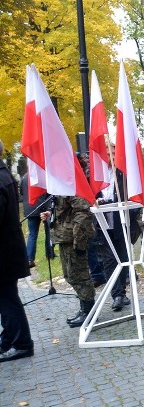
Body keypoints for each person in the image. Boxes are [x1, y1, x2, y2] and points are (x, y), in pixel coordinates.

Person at [42, 157, 95, 329]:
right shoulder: (64, 183)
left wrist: (79, 242)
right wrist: (51, 215)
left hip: (73, 238)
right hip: (65, 237)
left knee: (79, 275)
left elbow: (82, 213)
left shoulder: (74, 184)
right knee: (70, 275)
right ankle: (84, 308)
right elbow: (66, 211)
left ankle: (89, 311)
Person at [92, 152, 143, 312]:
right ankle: (117, 295)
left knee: (122, 256)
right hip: (103, 224)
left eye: (114, 153)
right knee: (109, 260)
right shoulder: (96, 174)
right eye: (108, 153)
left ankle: (123, 291)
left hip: (122, 223)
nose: (112, 156)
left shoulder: (124, 174)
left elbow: (135, 196)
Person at [0, 140, 34, 362]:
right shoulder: (4, 173)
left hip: (3, 251)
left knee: (7, 298)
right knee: (6, 296)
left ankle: (22, 343)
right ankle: (10, 338)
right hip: (7, 248)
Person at [19, 172, 52, 267]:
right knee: (48, 232)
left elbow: (21, 192)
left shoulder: (24, 177)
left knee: (32, 234)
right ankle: (49, 254)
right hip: (43, 206)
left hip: (30, 207)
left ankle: (29, 259)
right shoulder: (43, 175)